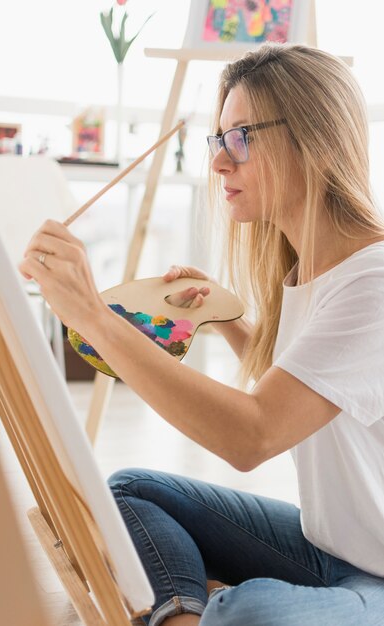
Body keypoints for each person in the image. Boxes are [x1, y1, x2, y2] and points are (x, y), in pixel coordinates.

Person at [20, 43, 384, 625]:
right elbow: (299, 396)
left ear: (310, 137)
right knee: (132, 490)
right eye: (219, 140)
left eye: (240, 137)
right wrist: (227, 316)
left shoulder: (373, 284)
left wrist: (92, 316)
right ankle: (187, 614)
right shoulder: (310, 270)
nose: (218, 163)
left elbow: (255, 434)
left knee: (253, 613)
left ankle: (190, 610)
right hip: (329, 548)